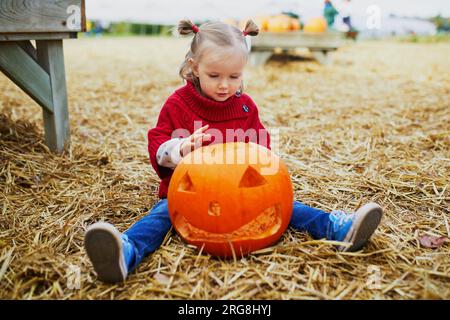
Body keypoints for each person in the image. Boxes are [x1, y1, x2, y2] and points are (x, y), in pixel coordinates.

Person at [84, 20, 383, 283]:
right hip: (191, 197)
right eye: (214, 76)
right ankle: (127, 251)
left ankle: (337, 229)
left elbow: (262, 143)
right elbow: (157, 142)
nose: (225, 85)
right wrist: (180, 149)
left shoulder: (244, 106)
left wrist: (258, 153)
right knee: (161, 217)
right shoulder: (178, 105)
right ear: (193, 67)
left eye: (235, 76)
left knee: (289, 207)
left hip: (244, 197)